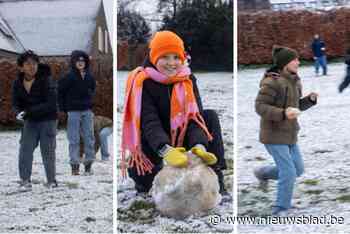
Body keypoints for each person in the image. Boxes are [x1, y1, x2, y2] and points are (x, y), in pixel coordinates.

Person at [121, 30, 228, 196]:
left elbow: (195, 118)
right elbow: (149, 122)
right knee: (147, 186)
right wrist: (165, 149)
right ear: (154, 57)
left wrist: (198, 145)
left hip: (182, 133)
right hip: (154, 140)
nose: (172, 63)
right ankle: (142, 178)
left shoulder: (188, 80)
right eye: (165, 57)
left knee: (210, 117)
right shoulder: (143, 82)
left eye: (176, 57)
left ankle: (217, 180)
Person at [254, 46, 318, 215]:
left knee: (298, 169)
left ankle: (263, 172)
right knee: (289, 172)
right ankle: (281, 207)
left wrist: (309, 101)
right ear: (284, 64)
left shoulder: (295, 80)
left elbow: (295, 108)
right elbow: (260, 107)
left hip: (290, 133)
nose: (298, 62)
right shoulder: (271, 82)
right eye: (294, 59)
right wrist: (282, 113)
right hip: (273, 134)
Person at [12, 50, 58, 189]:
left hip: (48, 120)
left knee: (47, 151)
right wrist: (18, 112)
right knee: (25, 149)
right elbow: (15, 102)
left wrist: (29, 111)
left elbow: (50, 103)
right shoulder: (17, 82)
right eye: (28, 64)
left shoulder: (47, 80)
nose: (32, 66)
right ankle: (25, 180)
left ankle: (51, 181)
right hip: (30, 121)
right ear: (21, 67)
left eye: (34, 63)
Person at [58, 50, 96, 175]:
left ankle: (88, 164)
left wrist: (90, 102)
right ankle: (74, 165)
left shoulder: (90, 77)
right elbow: (60, 93)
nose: (80, 63)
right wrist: (63, 109)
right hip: (73, 112)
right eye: (78, 61)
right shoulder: (68, 77)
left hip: (87, 111)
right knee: (73, 139)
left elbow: (92, 90)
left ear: (86, 63)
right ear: (73, 62)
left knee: (89, 138)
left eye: (82, 61)